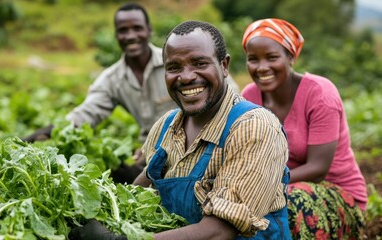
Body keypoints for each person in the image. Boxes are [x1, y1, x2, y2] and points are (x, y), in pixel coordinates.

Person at [69, 20, 291, 240]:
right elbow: (137, 194)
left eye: (200, 63)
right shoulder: (166, 126)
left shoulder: (253, 127)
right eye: (174, 68)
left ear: (224, 66)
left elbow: (219, 231)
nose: (186, 77)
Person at [23, 3, 239, 184]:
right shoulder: (112, 78)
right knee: (107, 173)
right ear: (116, 35)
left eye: (137, 28)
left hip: (196, 145)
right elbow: (86, 114)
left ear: (149, 30)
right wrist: (45, 133)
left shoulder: (176, 61)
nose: (131, 36)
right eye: (123, 31)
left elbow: (229, 96)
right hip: (147, 155)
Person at [240, 18, 367, 239]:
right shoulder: (249, 97)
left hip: (337, 194)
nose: (262, 68)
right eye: (253, 59)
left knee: (283, 203)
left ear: (290, 57)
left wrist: (263, 186)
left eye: (271, 57)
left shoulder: (320, 94)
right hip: (275, 189)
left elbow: (318, 169)